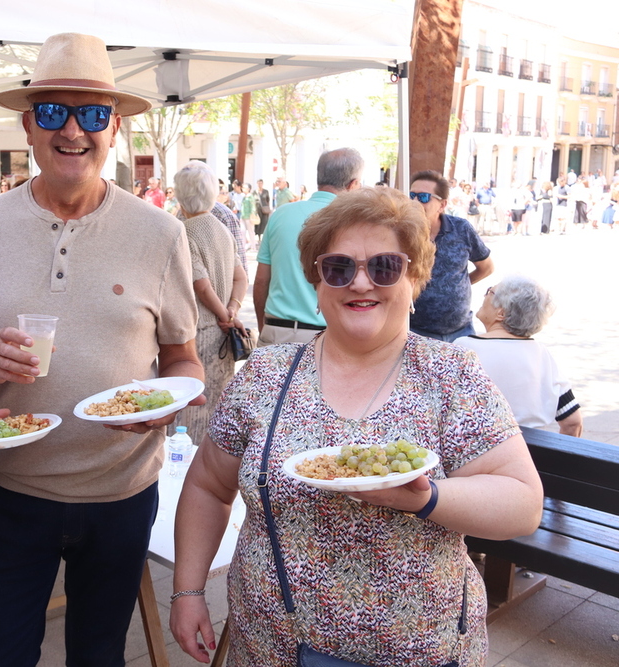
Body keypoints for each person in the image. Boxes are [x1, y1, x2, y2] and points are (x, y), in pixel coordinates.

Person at [170, 186, 543, 666]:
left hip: (418, 652)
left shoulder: (451, 377)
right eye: (339, 268)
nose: (360, 283)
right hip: (271, 647)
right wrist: (187, 591)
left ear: (414, 278)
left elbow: (522, 503)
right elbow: (206, 486)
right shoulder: (264, 375)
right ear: (317, 283)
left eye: (385, 266)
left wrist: (428, 498)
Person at [0, 32, 203, 666]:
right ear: (28, 124)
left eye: (93, 113)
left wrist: (170, 403)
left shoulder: (160, 233)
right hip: (12, 491)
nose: (72, 130)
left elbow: (183, 358)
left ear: (115, 129)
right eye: (53, 111)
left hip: (122, 494)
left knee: (99, 655)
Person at [254, 148, 363, 346]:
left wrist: (265, 327)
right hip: (328, 335)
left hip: (277, 329)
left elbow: (261, 280)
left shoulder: (280, 215)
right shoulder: (353, 222)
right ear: (353, 184)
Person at [173, 161, 247, 444]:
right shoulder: (223, 229)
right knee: (217, 410)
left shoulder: (185, 232)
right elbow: (241, 278)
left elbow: (201, 286)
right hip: (223, 338)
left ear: (180, 196)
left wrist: (222, 314)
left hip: (199, 333)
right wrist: (232, 309)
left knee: (191, 415)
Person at [455, 275, 582, 437]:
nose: (485, 296)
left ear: (501, 313)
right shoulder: (541, 353)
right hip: (532, 454)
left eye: (490, 292)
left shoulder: (465, 348)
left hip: (481, 451)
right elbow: (573, 422)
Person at [408, 170, 494, 341]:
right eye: (411, 195)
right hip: (415, 332)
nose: (415, 202)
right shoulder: (402, 233)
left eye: (423, 197)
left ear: (442, 205)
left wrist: (457, 285)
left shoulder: (461, 229)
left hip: (461, 332)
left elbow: (487, 267)